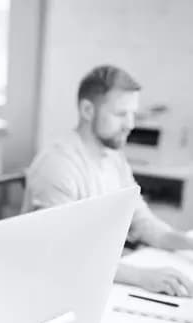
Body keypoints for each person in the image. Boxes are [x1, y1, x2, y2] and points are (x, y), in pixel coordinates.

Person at [22, 65, 193, 297]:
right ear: (87, 110)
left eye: (133, 114)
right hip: (58, 287)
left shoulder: (114, 157)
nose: (131, 124)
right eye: (121, 114)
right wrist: (142, 277)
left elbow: (142, 222)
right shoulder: (58, 165)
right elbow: (62, 254)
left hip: (99, 276)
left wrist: (187, 242)